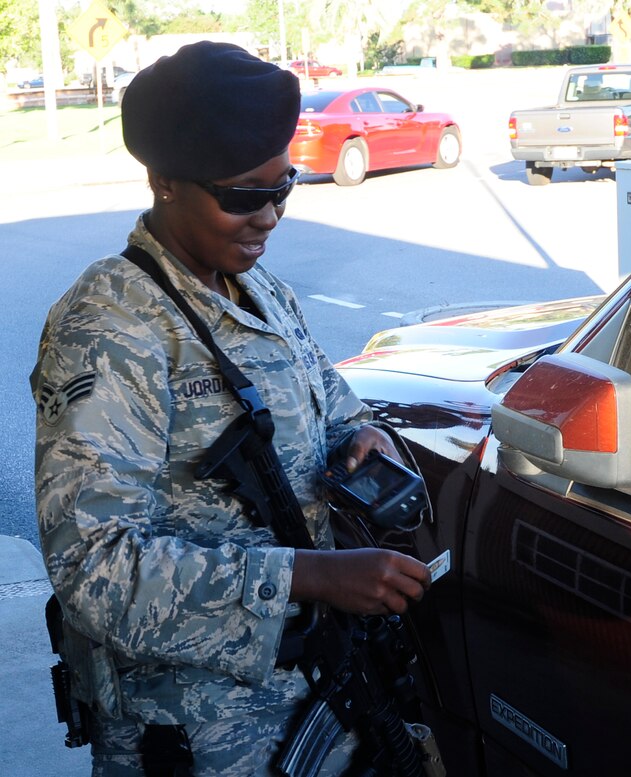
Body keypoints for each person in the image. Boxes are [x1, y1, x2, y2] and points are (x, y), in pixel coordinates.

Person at [30, 41, 431, 774]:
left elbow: (331, 403)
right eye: (244, 196)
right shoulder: (110, 326)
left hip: (312, 692)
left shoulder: (259, 289)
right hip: (194, 734)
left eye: (285, 187)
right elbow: (94, 570)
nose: (270, 217)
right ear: (165, 182)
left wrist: (361, 438)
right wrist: (309, 576)